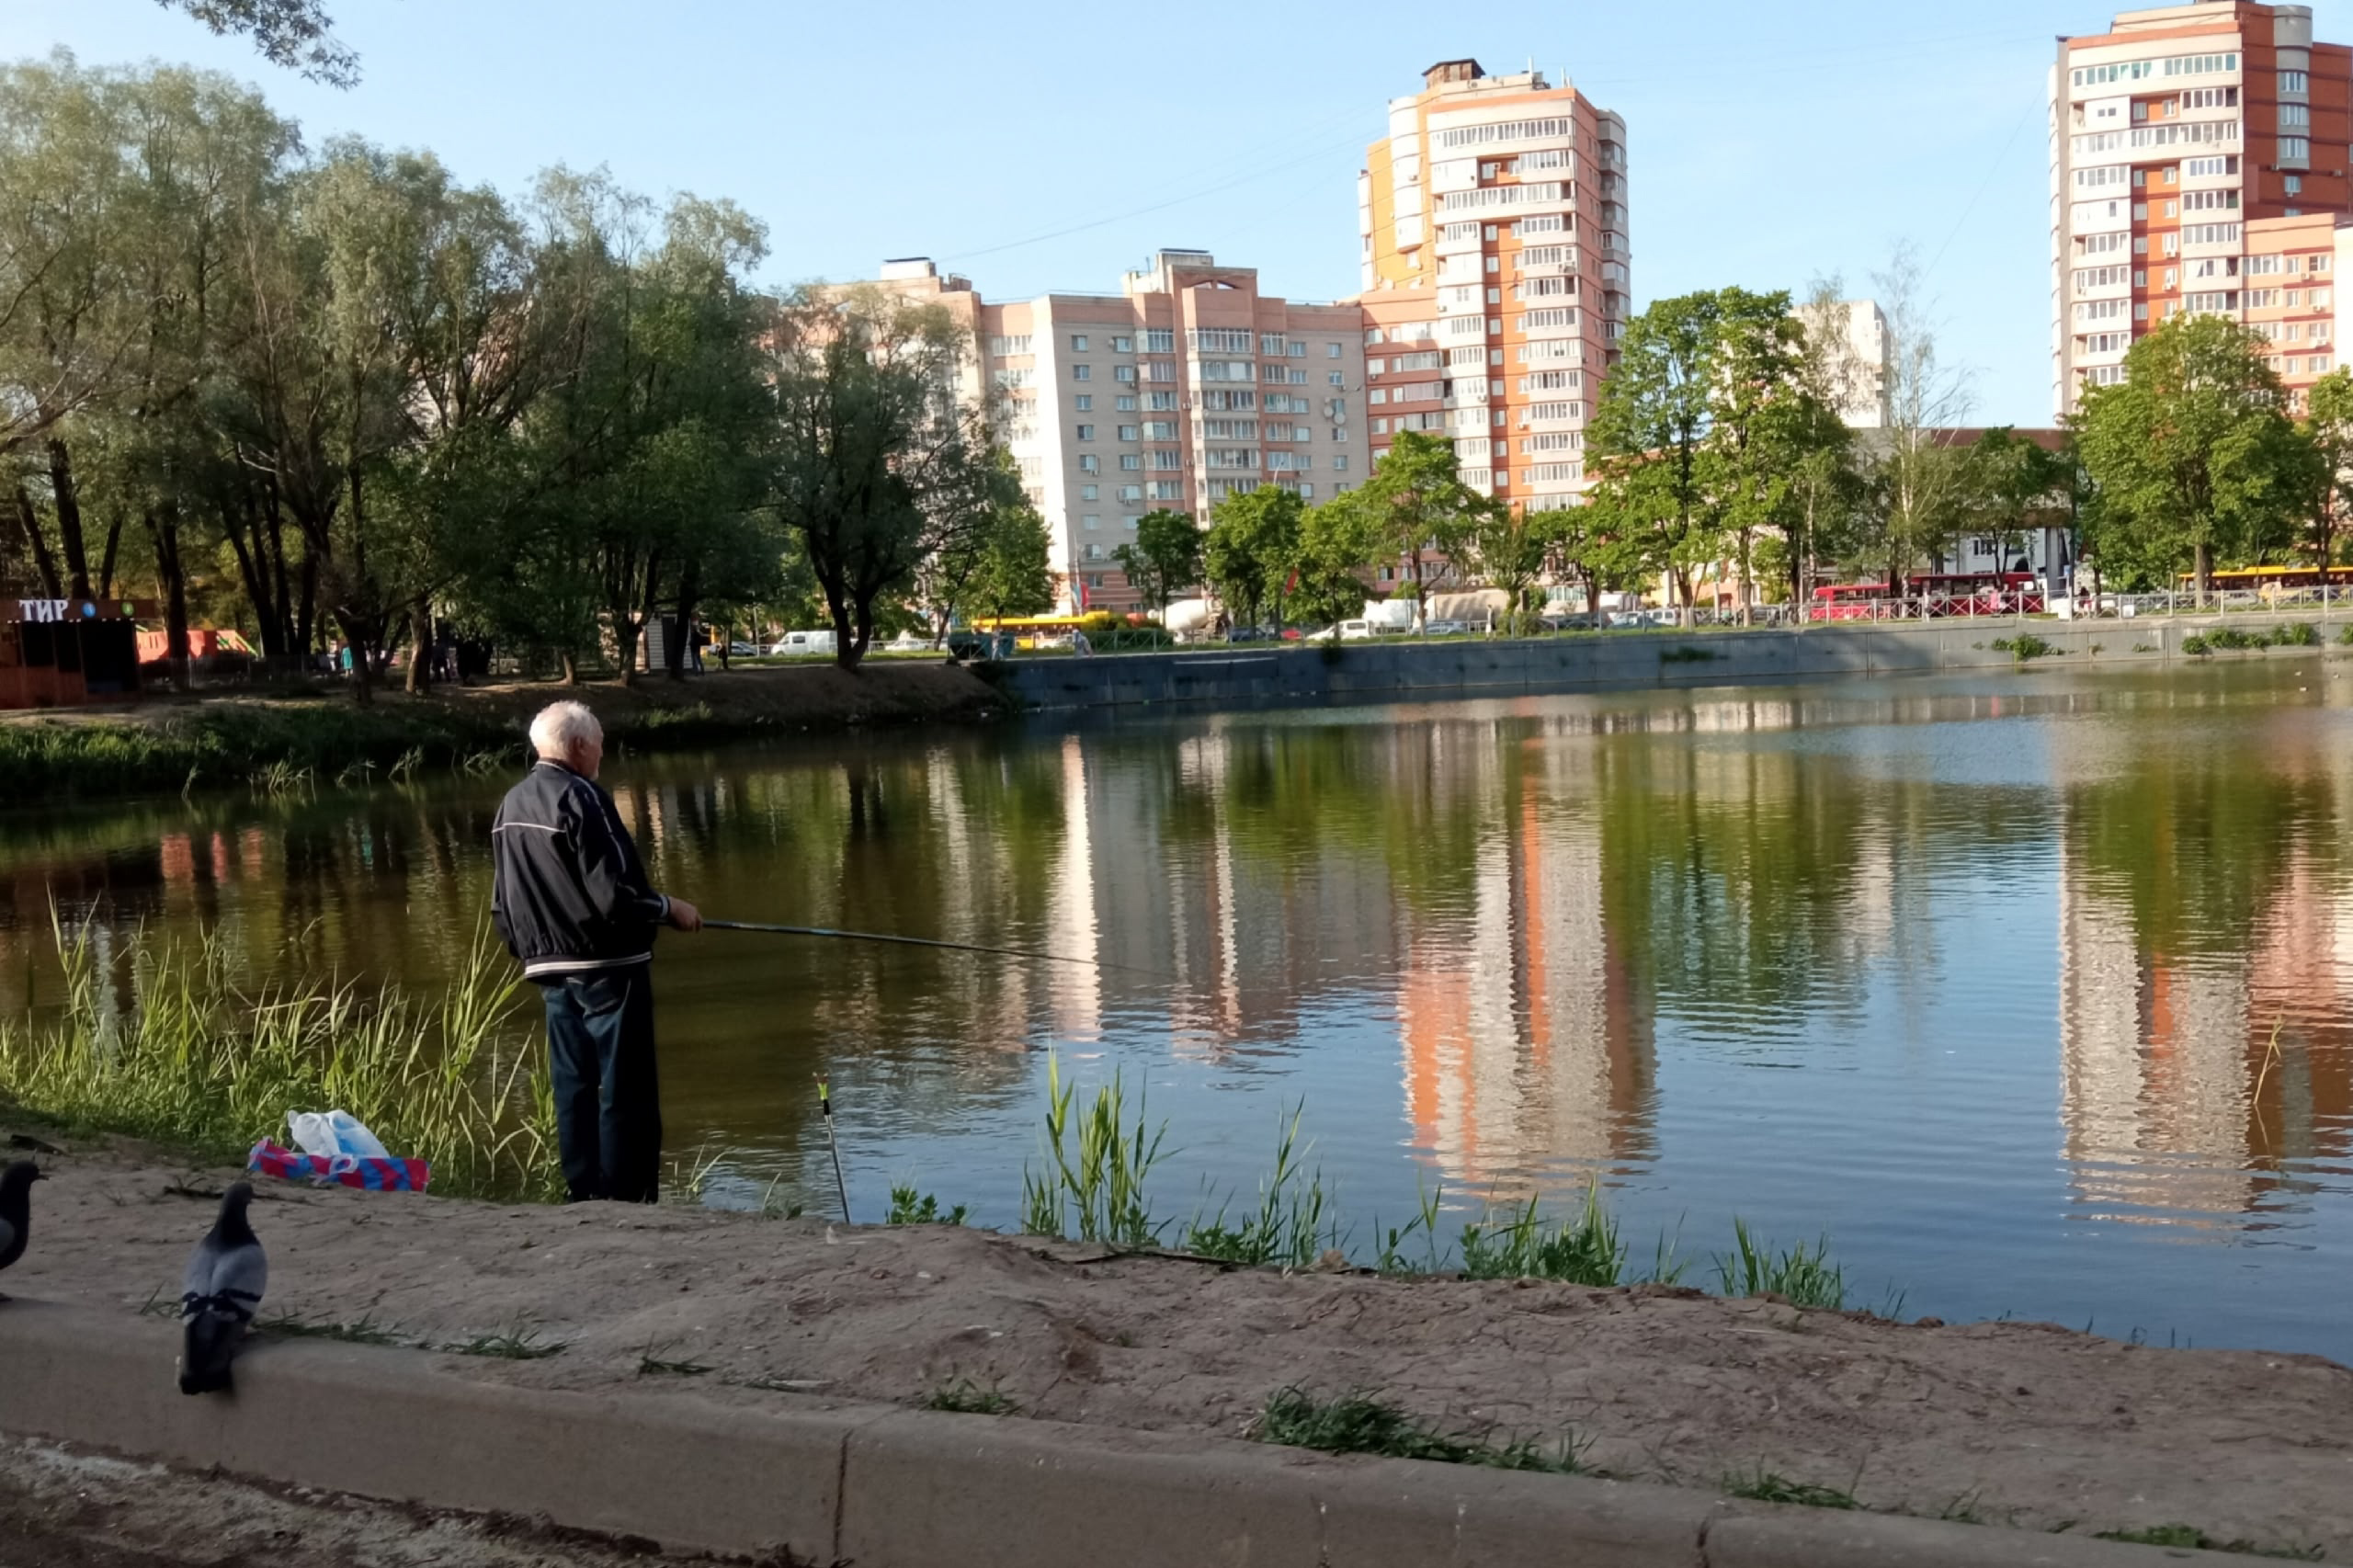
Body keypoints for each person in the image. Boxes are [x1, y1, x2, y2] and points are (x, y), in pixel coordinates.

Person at [490, 701, 700, 1202]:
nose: (603, 751)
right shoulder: (583, 797)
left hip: (548, 968)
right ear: (580, 746)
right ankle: (629, 1199)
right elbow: (615, 894)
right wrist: (669, 907)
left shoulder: (510, 804)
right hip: (608, 966)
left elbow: (502, 904)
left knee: (573, 1086)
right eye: (600, 742)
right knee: (625, 1087)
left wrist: (528, 952)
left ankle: (583, 1193)